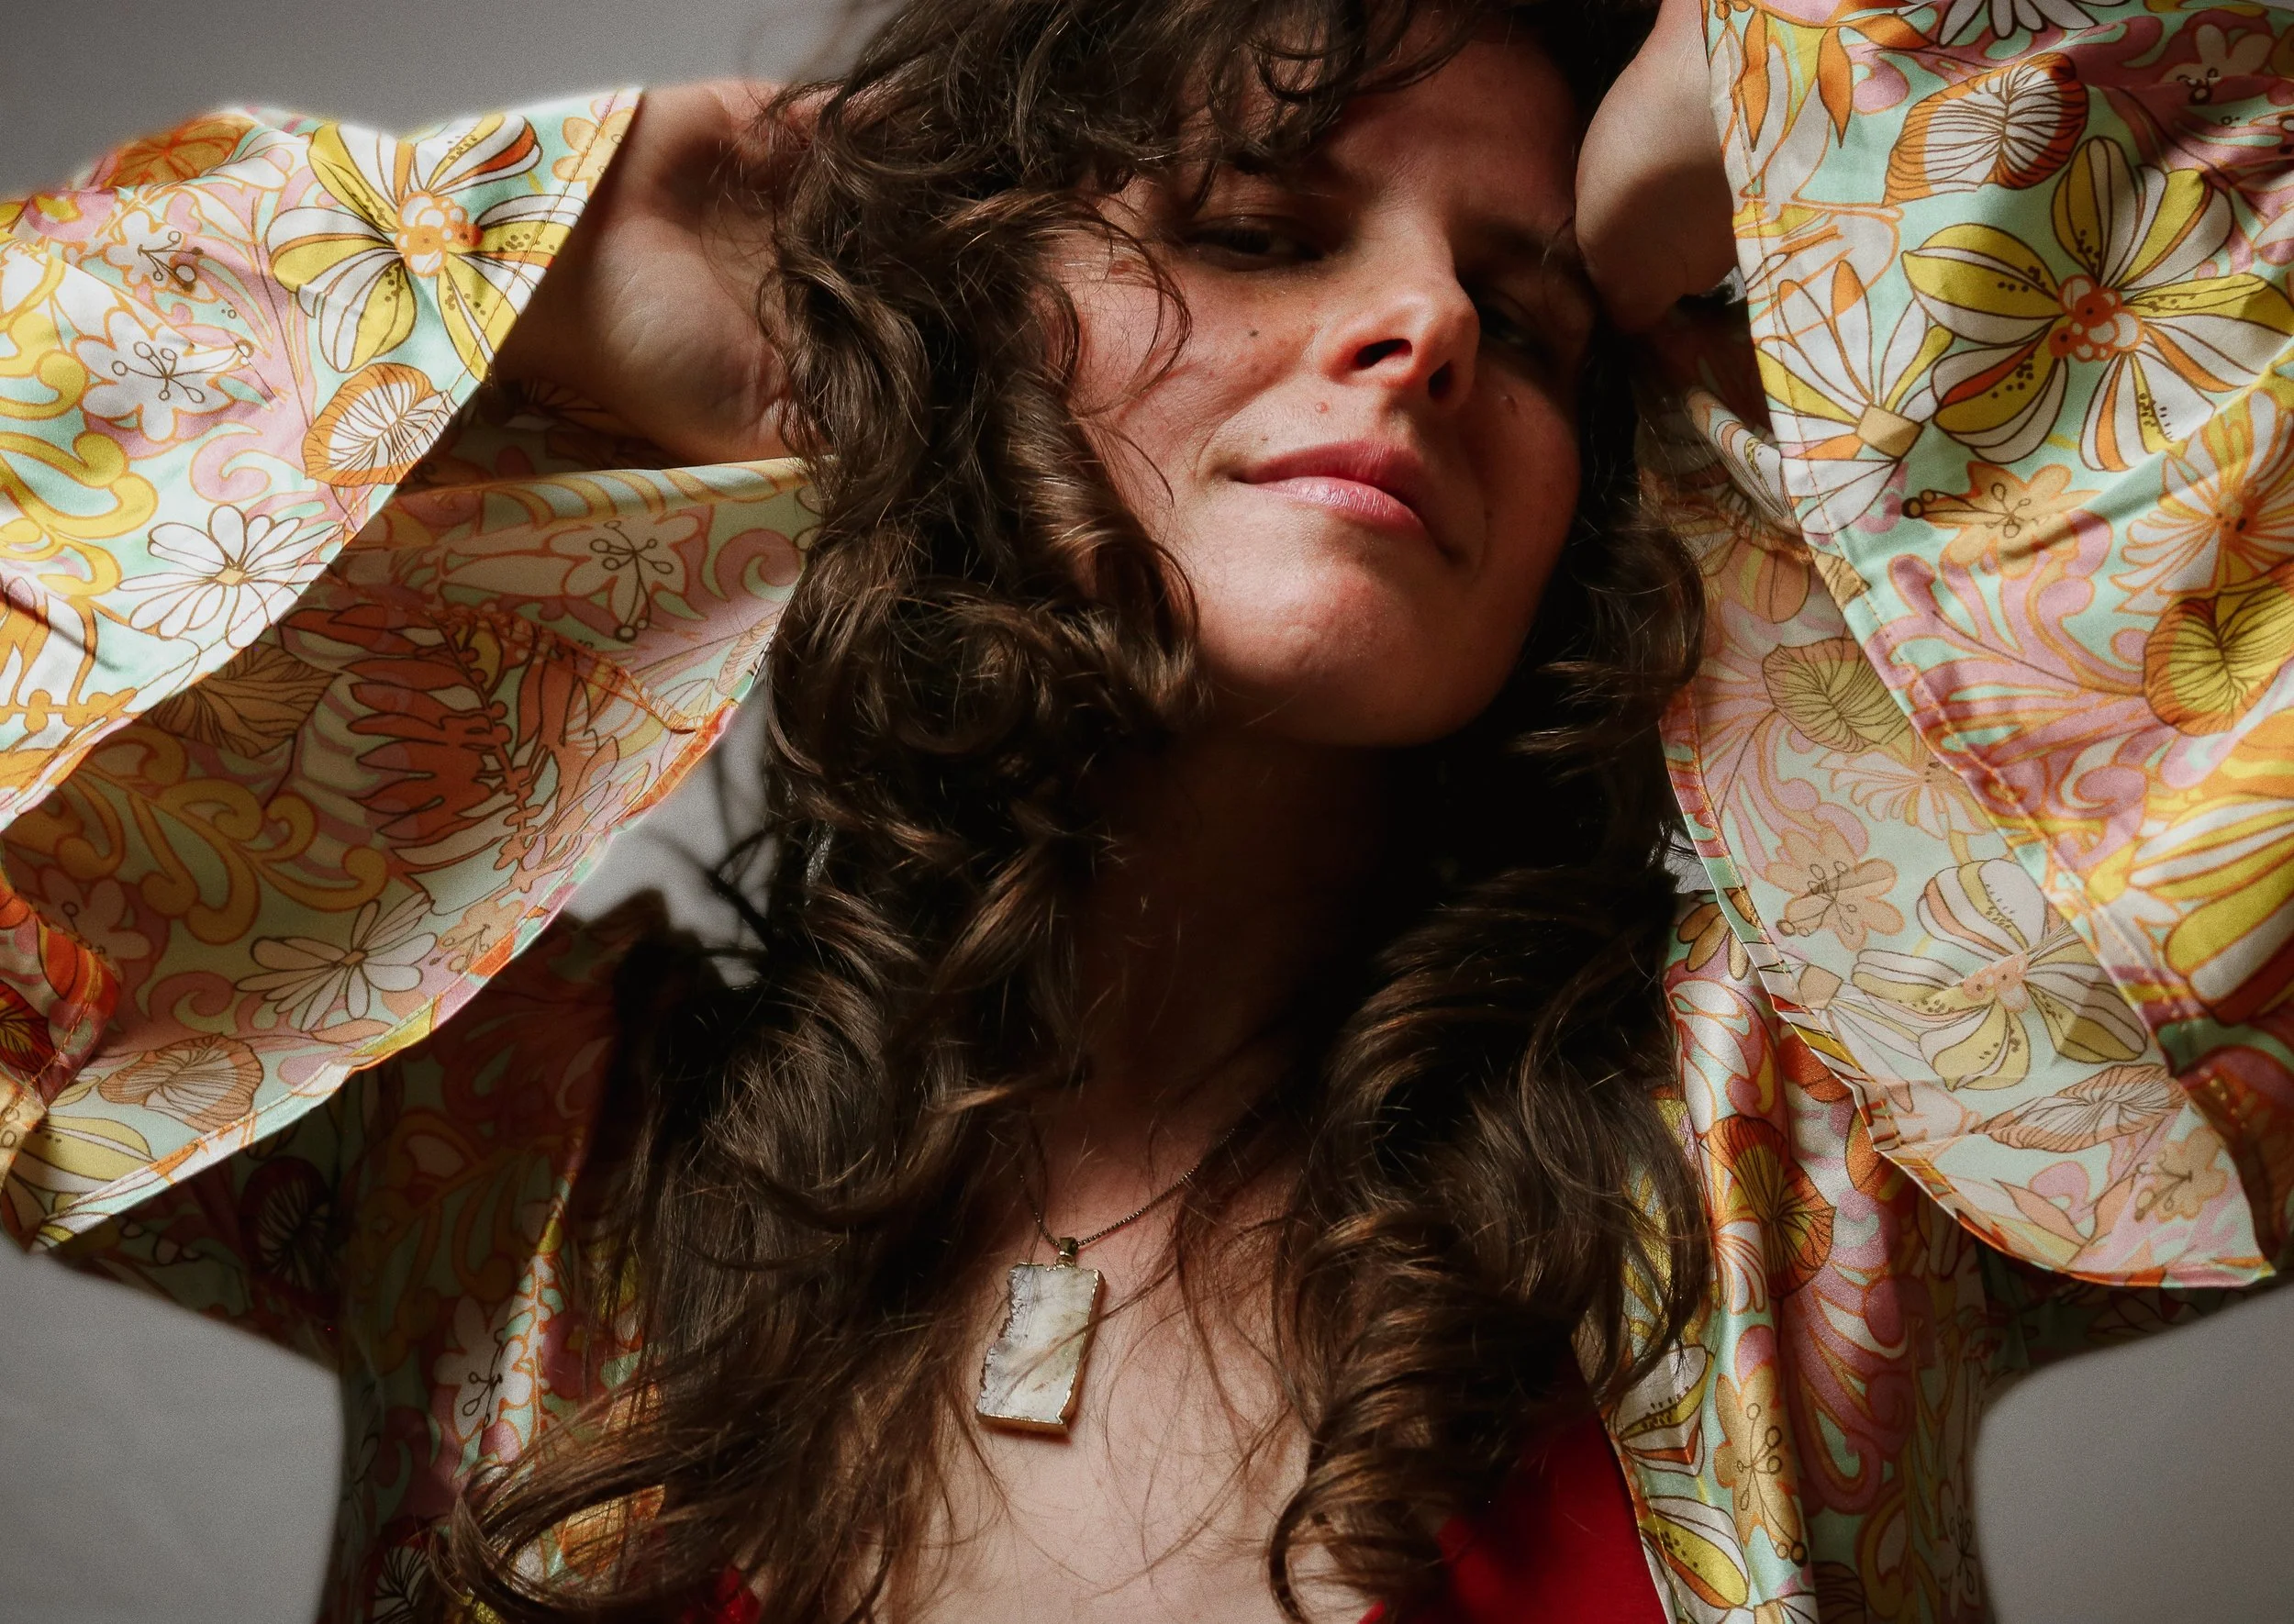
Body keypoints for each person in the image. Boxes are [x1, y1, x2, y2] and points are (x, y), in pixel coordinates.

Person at [2, 1, 2289, 1621]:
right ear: (949, 326)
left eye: (1527, 315)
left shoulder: (1831, 1140)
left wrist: (1805, 97)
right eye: (1257, 228)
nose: (1425, 327)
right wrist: (537, 263)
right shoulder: (501, 1146)